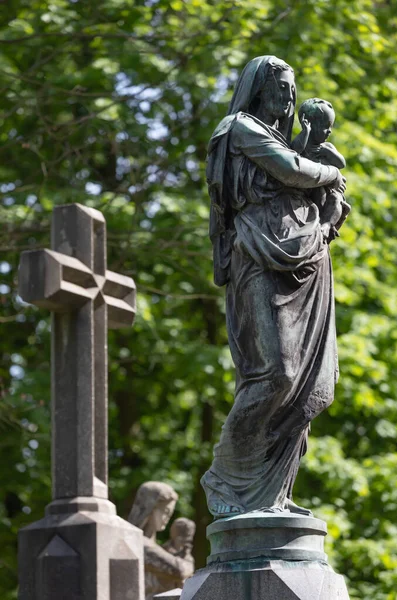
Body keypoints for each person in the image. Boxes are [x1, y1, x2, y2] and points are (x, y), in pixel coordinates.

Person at [201, 56, 346, 519]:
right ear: (258, 88)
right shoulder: (240, 127)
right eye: (280, 88)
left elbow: (300, 171)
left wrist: (318, 159)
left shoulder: (282, 138)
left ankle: (271, 492)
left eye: (292, 89)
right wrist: (329, 172)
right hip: (260, 253)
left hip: (304, 257)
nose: (288, 97)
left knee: (308, 385)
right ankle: (225, 476)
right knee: (276, 373)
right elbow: (290, 171)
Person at [292, 97, 350, 240]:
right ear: (310, 123)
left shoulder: (327, 147)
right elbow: (293, 153)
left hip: (330, 190)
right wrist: (305, 133)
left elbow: (341, 163)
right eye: (325, 126)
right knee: (318, 196)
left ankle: (328, 225)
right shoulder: (302, 143)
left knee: (335, 199)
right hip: (309, 190)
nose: (329, 131)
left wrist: (327, 152)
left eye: (330, 126)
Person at [128, 482, 193, 600]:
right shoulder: (138, 542)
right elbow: (179, 570)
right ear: (150, 508)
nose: (167, 519)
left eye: (170, 514)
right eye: (166, 512)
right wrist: (188, 562)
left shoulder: (154, 545)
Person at [163, 518, 196, 588]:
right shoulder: (164, 551)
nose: (190, 539)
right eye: (187, 535)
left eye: (190, 535)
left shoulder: (188, 555)